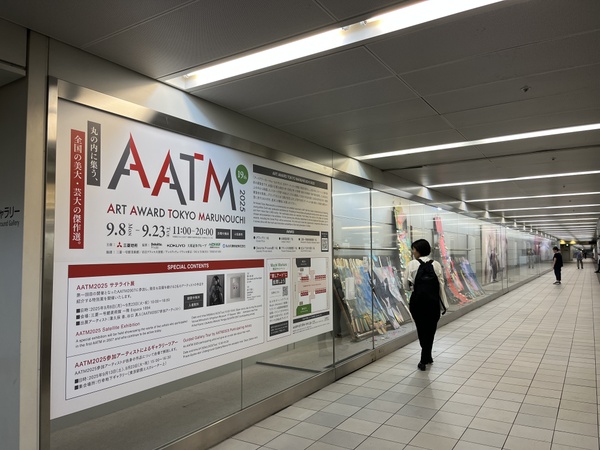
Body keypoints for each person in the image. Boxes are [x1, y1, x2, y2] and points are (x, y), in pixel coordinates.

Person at [403, 239, 448, 371]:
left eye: (414, 249)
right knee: (431, 330)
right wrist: (443, 303)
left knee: (421, 329)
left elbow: (406, 286)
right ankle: (427, 355)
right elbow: (441, 285)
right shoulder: (437, 265)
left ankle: (424, 358)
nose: (413, 252)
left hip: (417, 302)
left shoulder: (412, 264)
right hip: (433, 303)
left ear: (418, 250)